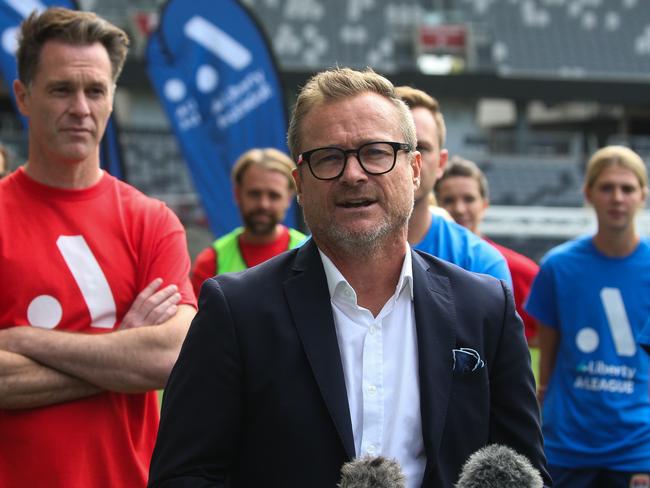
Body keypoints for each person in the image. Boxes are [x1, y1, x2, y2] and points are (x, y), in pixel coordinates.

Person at [148, 67, 549, 488]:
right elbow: (184, 476)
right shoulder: (236, 311)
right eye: (329, 157)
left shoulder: (486, 308)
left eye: (376, 152)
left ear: (415, 170)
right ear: (299, 184)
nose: (353, 174)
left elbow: (527, 472)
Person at [0, 8, 196, 488]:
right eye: (61, 89)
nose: (81, 109)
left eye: (96, 91)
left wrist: (26, 342)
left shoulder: (153, 222)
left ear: (111, 98)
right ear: (23, 97)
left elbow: (173, 358)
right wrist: (121, 356)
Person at [526, 145, 650, 487]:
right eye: (607, 187)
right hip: (567, 445)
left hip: (637, 448)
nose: (617, 198)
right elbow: (546, 367)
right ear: (588, 194)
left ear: (643, 195)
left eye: (627, 188)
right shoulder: (558, 266)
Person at [394, 86, 511, 285]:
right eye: (395, 146)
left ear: (441, 163)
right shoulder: (333, 252)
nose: (410, 159)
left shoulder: (480, 264)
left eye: (421, 147)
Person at [435, 156, 540, 344]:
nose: (459, 209)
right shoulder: (417, 261)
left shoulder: (519, 270)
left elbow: (545, 334)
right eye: (449, 200)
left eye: (469, 199)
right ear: (436, 206)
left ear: (484, 205)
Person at [190, 147, 305, 295]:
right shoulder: (211, 262)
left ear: (289, 198)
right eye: (254, 194)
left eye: (274, 195)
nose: (263, 204)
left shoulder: (311, 254)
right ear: (237, 194)